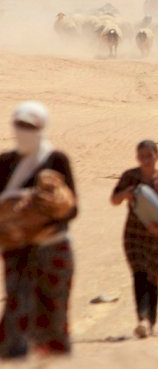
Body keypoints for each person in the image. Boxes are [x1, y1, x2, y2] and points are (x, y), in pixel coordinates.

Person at [0, 102, 77, 359]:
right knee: (16, 310)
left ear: (41, 127)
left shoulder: (56, 160)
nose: (24, 131)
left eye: (30, 126)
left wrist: (43, 215)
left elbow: (72, 209)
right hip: (16, 249)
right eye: (20, 125)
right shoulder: (5, 163)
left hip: (52, 247)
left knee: (53, 315)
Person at [111, 140, 158, 339]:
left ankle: (152, 322)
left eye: (149, 155)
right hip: (133, 235)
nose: (146, 160)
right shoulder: (129, 177)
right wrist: (125, 194)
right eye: (142, 156)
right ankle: (142, 320)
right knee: (139, 274)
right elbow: (113, 200)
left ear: (157, 156)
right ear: (137, 157)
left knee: (153, 278)